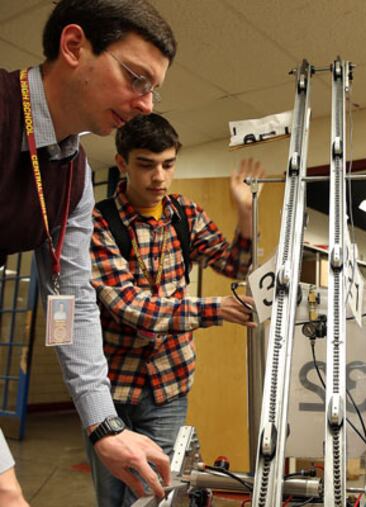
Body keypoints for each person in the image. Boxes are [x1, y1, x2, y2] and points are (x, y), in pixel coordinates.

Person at [0, 1, 177, 504]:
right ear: (74, 46)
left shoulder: (74, 174)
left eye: (154, 89)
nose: (147, 104)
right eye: (137, 78)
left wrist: (104, 425)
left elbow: (71, 295)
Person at [88, 113, 260, 506]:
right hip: (111, 387)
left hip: (169, 385)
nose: (159, 178)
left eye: (168, 165)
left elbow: (233, 265)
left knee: (156, 495)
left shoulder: (184, 213)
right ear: (122, 163)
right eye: (146, 165)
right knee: (114, 496)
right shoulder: (99, 223)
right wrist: (216, 309)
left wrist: (247, 214)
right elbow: (131, 307)